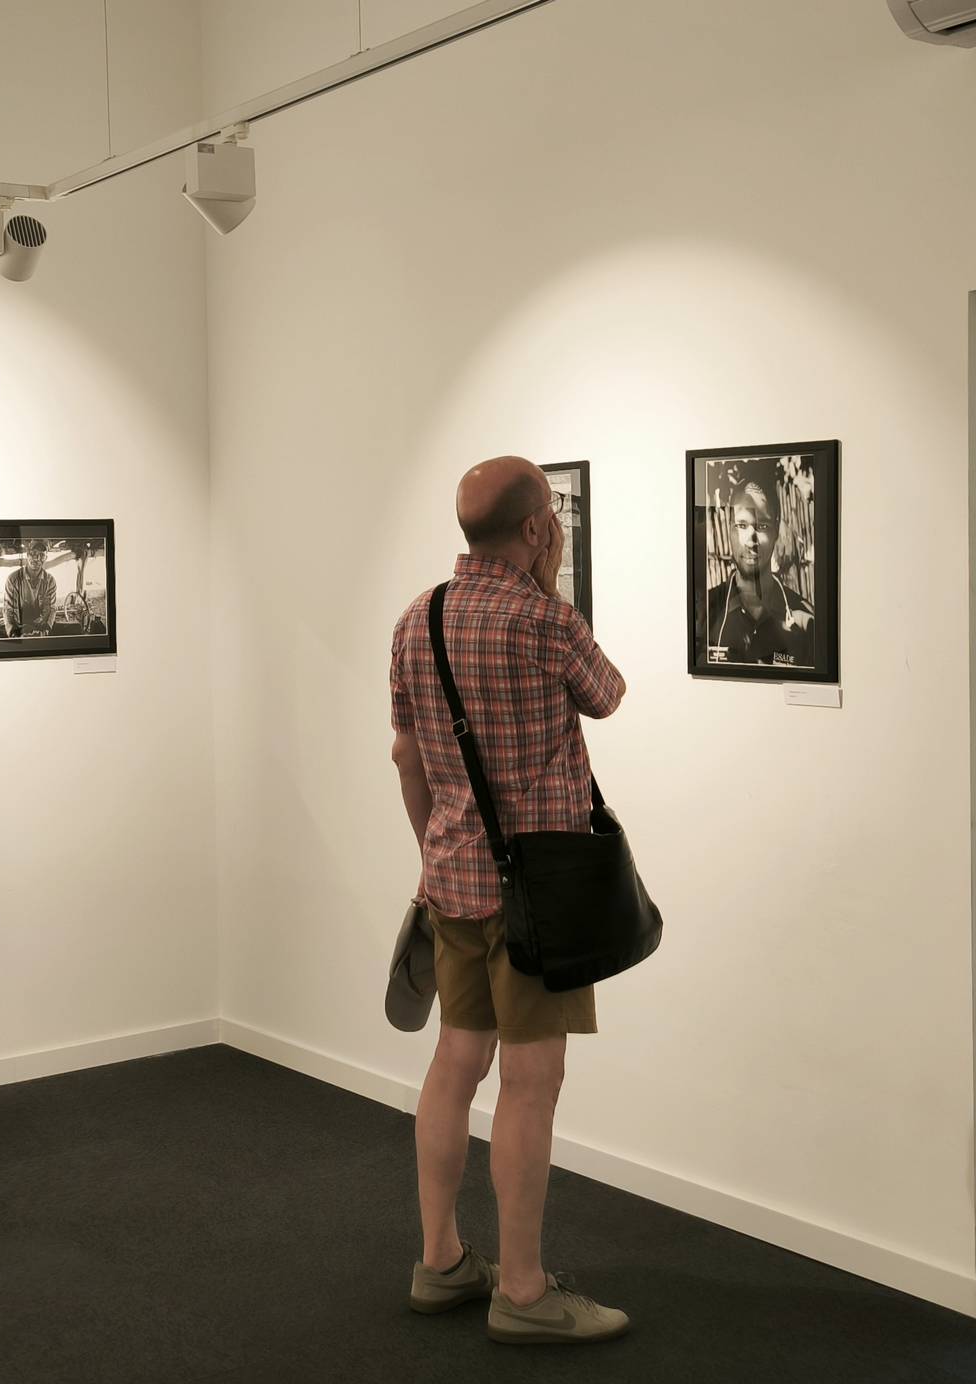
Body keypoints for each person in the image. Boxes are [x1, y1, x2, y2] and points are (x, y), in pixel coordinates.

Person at [388, 456, 630, 1345]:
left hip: (452, 882)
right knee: (533, 1081)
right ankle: (523, 1291)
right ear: (536, 530)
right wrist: (552, 584)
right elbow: (607, 697)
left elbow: (408, 758)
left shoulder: (421, 618)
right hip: (544, 896)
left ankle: (442, 1258)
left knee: (456, 1063)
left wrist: (435, 853)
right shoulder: (546, 619)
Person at [702, 467, 816, 669]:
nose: (750, 540)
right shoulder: (703, 612)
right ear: (729, 530)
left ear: (776, 531)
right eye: (742, 525)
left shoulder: (806, 620)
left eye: (762, 526)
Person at [0, 540, 57, 636]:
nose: (37, 558)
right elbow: (9, 610)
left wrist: (44, 631)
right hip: (19, 629)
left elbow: (50, 608)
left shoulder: (50, 581)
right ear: (27, 555)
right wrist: (14, 633)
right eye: (33, 554)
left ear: (46, 558)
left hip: (40, 629)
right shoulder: (13, 579)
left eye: (42, 555)